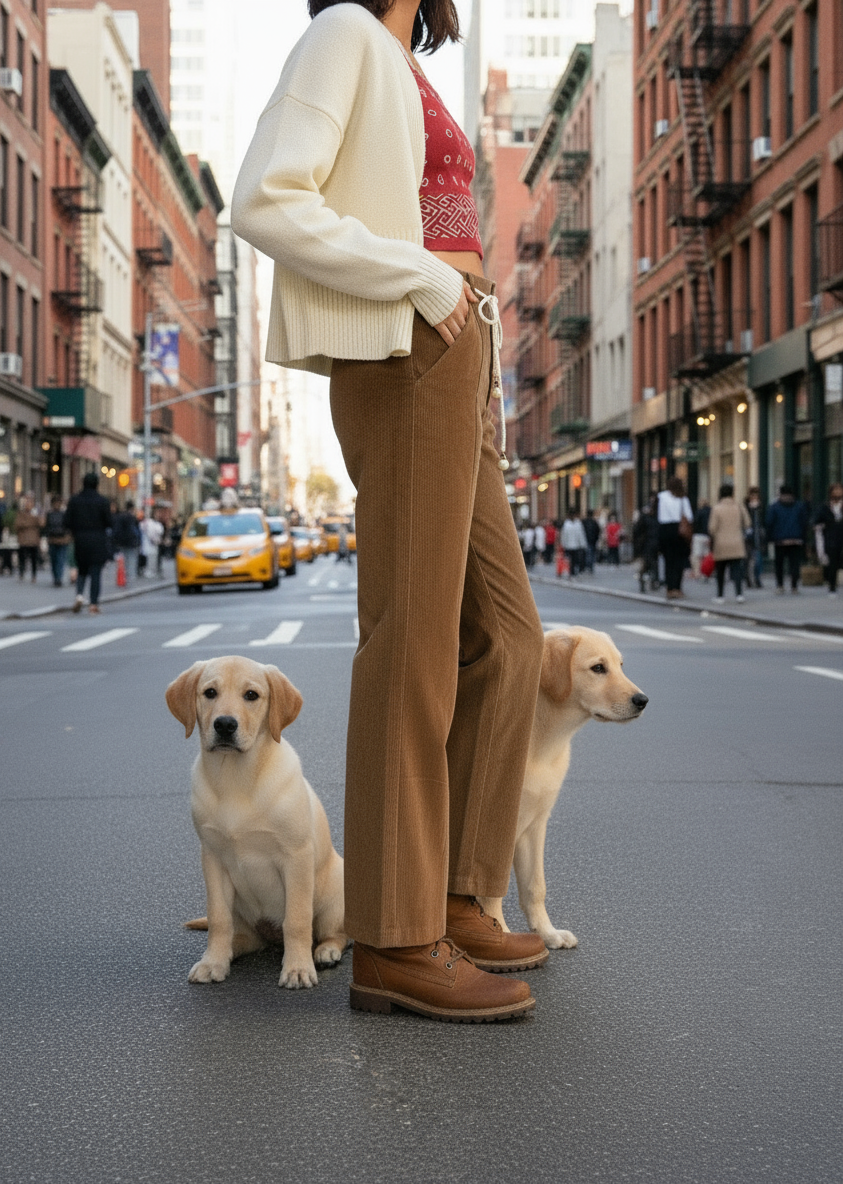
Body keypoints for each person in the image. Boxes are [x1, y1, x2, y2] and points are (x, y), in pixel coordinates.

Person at [231, 0, 546, 1022]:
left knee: (504, 632)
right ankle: (398, 938)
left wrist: (465, 314)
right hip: (410, 347)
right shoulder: (345, 36)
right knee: (410, 637)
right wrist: (423, 282)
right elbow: (266, 197)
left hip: (460, 350)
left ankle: (452, 891)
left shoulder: (403, 60)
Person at [64, 472, 112, 613]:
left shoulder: (75, 500)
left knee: (82, 570)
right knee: (96, 572)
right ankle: (93, 603)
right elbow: (109, 522)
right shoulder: (102, 501)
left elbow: (66, 521)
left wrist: (75, 529)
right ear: (97, 484)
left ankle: (79, 595)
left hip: (80, 539)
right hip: (98, 540)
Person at [708, 483, 750, 603]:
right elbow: (747, 522)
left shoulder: (716, 508)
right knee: (736, 570)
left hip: (721, 543)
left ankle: (720, 595)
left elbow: (712, 528)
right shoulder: (739, 506)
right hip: (736, 542)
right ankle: (739, 594)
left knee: (720, 571)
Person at [765, 485, 808, 594]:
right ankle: (794, 586)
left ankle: (780, 585)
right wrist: (803, 538)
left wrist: (769, 538)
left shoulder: (774, 507)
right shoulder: (799, 506)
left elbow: (769, 522)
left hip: (780, 540)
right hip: (796, 539)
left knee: (779, 564)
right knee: (795, 564)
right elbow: (804, 523)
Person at [656, 476, 693, 599]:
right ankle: (677, 587)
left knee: (668, 560)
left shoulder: (661, 496)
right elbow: (689, 516)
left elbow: (655, 513)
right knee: (679, 561)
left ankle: (669, 587)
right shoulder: (683, 498)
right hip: (679, 530)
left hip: (664, 529)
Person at [813, 483, 843, 596]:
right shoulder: (825, 507)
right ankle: (832, 587)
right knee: (833, 564)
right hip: (831, 539)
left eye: (840, 490)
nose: (838, 493)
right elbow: (816, 521)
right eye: (835, 490)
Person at [632, 495, 659, 594]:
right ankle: (647, 581)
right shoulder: (649, 517)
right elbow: (638, 531)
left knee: (651, 563)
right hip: (647, 544)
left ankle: (652, 581)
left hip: (650, 544)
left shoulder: (651, 517)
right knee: (648, 564)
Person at [14, 494, 44, 582]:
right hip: (23, 540)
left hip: (33, 540)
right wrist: (31, 522)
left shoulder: (35, 514)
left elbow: (41, 523)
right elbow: (18, 524)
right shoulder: (20, 514)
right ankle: (21, 572)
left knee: (34, 558)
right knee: (22, 558)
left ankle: (33, 575)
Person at [112, 499, 141, 586]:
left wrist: (115, 539)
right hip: (130, 541)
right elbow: (134, 530)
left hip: (121, 541)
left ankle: (122, 576)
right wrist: (137, 540)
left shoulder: (120, 516)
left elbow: (116, 530)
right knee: (131, 559)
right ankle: (129, 577)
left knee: (122, 559)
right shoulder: (131, 517)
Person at [45, 495, 70, 587]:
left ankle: (59, 578)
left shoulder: (64, 514)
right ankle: (55, 577)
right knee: (53, 560)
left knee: (60, 560)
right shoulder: (49, 514)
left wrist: (67, 535)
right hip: (52, 539)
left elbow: (67, 526)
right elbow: (47, 527)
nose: (57, 505)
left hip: (62, 540)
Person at [743, 486, 765, 589]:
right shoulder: (745, 507)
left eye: (756, 495)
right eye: (753, 495)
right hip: (748, 537)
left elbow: (764, 521)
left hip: (758, 537)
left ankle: (757, 579)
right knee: (747, 559)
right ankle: (748, 578)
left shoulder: (761, 507)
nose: (755, 497)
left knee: (758, 559)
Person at [560, 508, 588, 577]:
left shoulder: (578, 523)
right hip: (568, 545)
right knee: (569, 559)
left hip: (576, 545)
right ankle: (571, 571)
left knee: (576, 559)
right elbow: (564, 535)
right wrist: (563, 544)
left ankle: (575, 570)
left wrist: (583, 544)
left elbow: (581, 534)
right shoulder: (566, 524)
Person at [690, 498, 711, 579]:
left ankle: (697, 572)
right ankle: (706, 572)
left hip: (698, 535)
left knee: (697, 555)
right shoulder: (711, 512)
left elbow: (695, 523)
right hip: (707, 535)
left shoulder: (699, 512)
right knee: (706, 555)